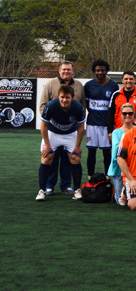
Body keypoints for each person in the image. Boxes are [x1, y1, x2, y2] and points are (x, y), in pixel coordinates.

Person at [39, 61, 86, 196]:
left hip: (70, 130)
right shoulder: (50, 85)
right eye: (64, 69)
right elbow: (43, 114)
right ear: (59, 71)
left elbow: (81, 115)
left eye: (69, 70)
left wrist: (78, 145)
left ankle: (71, 187)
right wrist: (54, 119)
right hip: (53, 130)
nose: (66, 72)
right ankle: (46, 188)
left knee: (73, 158)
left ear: (73, 71)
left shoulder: (78, 86)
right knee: (49, 157)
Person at [83, 59, 119, 177]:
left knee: (106, 152)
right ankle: (90, 176)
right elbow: (87, 104)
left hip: (106, 125)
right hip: (92, 124)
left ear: (106, 71)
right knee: (91, 151)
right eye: (97, 70)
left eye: (102, 70)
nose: (100, 72)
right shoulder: (88, 85)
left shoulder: (113, 85)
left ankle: (108, 177)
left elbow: (114, 106)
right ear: (94, 71)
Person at [108, 103, 135, 206]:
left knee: (131, 199)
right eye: (124, 113)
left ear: (134, 114)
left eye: (130, 113)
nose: (127, 115)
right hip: (119, 166)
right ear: (121, 114)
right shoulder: (116, 132)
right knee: (119, 201)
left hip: (134, 166)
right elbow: (116, 149)